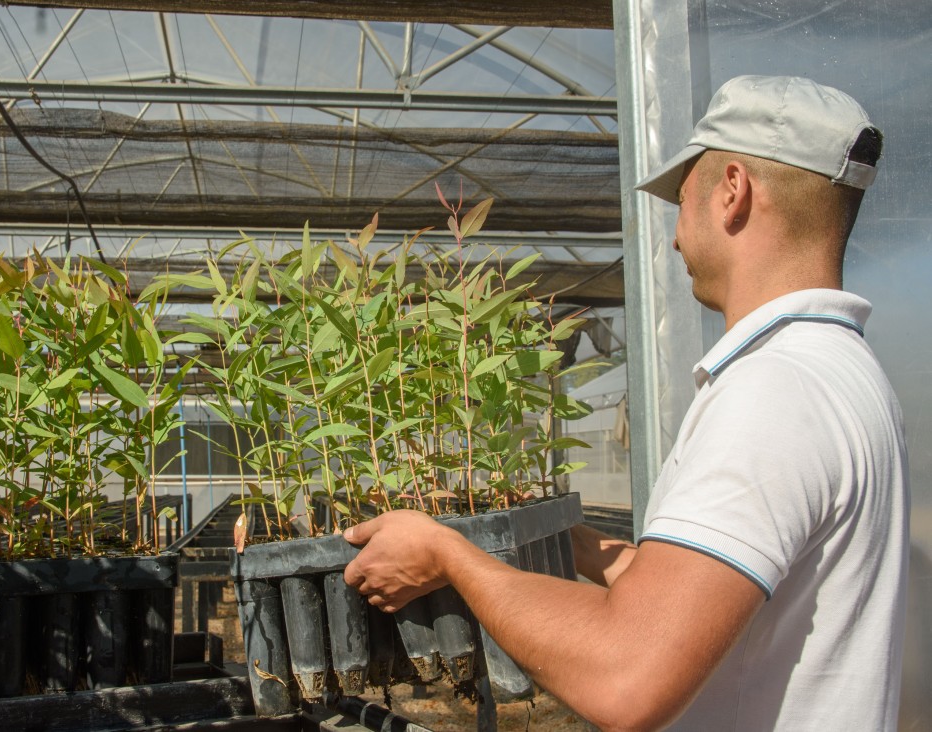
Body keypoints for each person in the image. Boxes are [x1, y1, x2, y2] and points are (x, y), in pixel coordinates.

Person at [342, 75, 909, 730]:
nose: (673, 237)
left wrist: (448, 557)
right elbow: (715, 598)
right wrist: (580, 546)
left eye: (683, 200)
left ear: (733, 192)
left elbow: (626, 675)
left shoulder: (773, 393)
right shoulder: (842, 373)